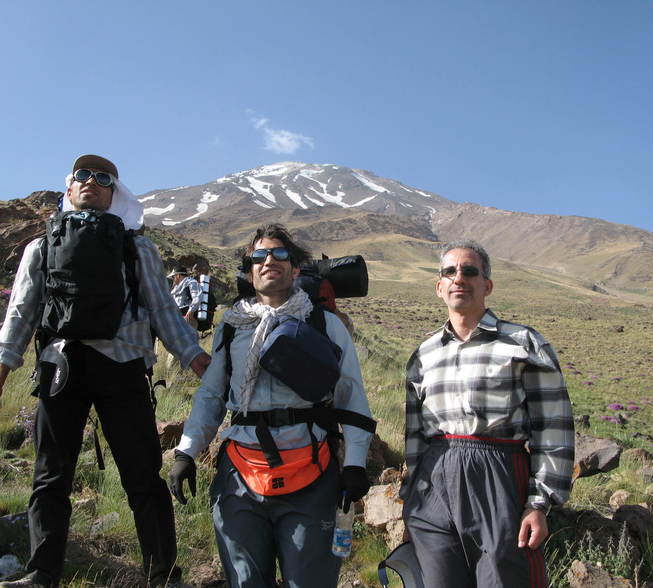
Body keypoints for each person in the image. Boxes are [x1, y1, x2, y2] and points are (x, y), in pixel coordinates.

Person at [0, 154, 210, 588]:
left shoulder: (136, 246)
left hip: (115, 367)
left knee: (140, 476)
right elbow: (20, 313)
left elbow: (162, 309)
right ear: (69, 187)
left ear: (114, 194)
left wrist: (195, 358)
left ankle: (164, 577)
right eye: (82, 175)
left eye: (104, 179)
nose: (92, 182)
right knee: (51, 477)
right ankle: (41, 576)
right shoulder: (42, 245)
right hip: (65, 365)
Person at [169, 224, 375, 588]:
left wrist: (356, 463)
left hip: (311, 469)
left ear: (296, 268)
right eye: (259, 256)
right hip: (240, 476)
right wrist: (187, 452)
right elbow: (212, 395)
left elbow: (351, 396)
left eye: (280, 254)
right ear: (249, 269)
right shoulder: (231, 327)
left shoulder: (324, 323)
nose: (269, 261)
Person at [402, 239, 574, 588]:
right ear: (439, 287)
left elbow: (553, 427)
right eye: (449, 272)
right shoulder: (424, 354)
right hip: (434, 481)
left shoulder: (524, 343)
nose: (458, 278)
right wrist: (412, 498)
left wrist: (539, 504)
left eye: (469, 271)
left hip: (499, 475)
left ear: (487, 285)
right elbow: (414, 434)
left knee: (502, 578)